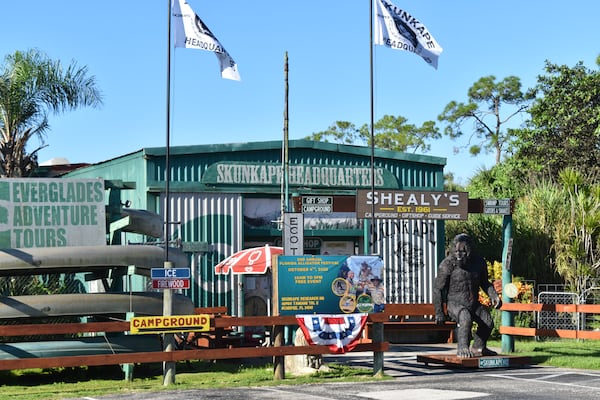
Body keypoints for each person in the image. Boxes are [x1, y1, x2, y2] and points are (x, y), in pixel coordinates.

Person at [433, 233, 502, 358]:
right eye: (457, 251)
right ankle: (462, 347)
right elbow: (437, 288)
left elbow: (485, 283)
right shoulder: (447, 264)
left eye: (463, 252)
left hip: (473, 304)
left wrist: (494, 296)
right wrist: (439, 312)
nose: (459, 255)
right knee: (465, 317)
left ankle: (479, 347)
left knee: (488, 322)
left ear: (470, 250)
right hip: (454, 304)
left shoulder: (479, 262)